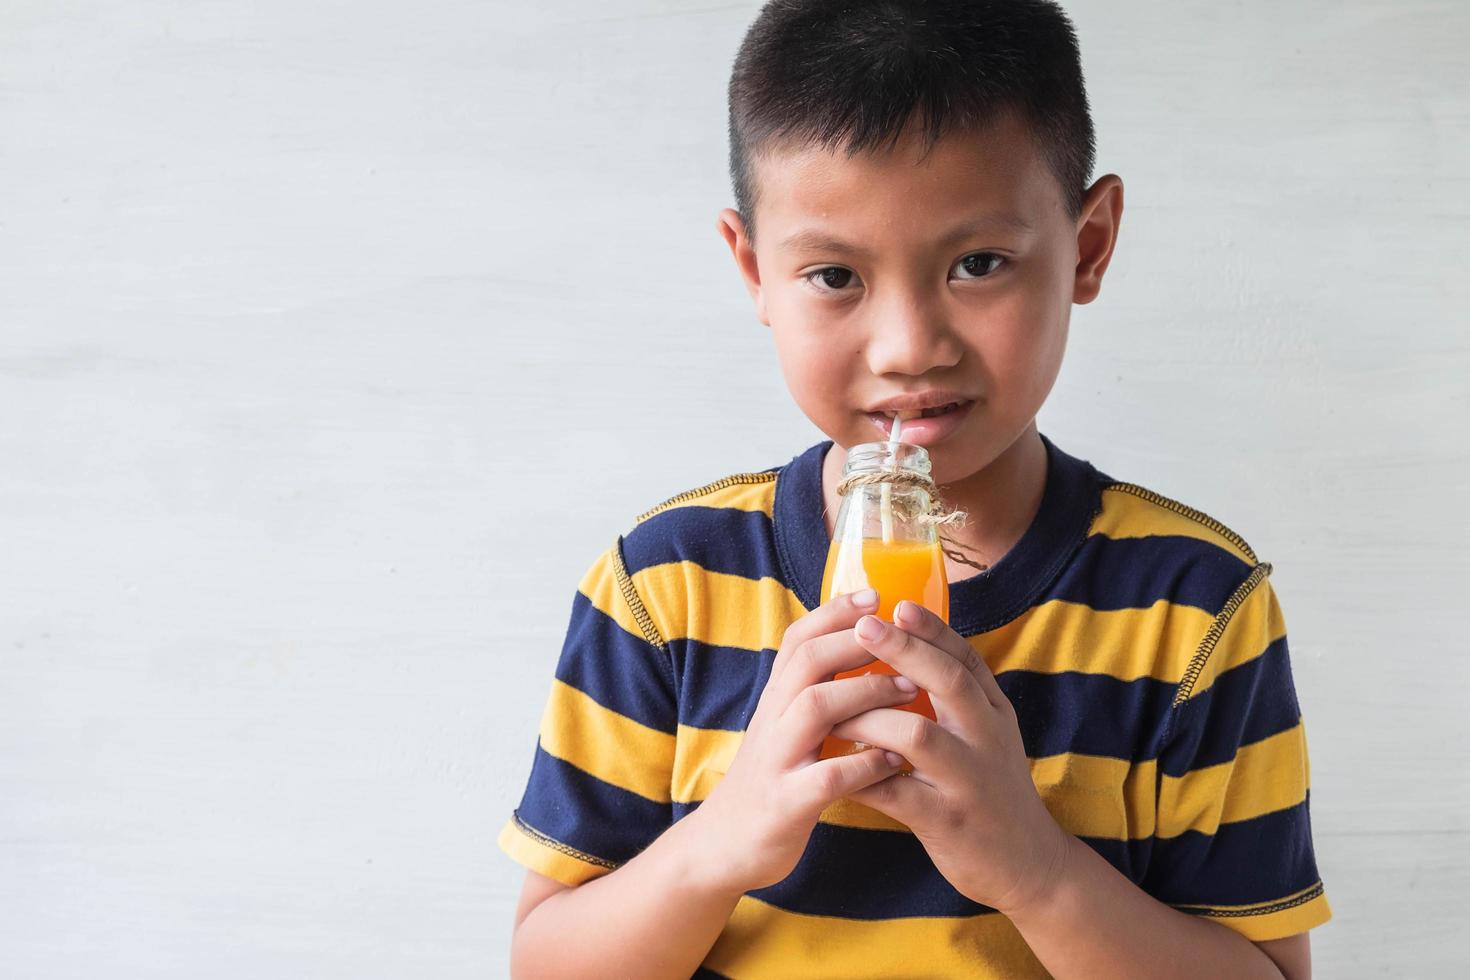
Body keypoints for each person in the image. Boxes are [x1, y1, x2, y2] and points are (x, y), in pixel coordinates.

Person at [498, 1, 1331, 976]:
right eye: (835, 275)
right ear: (753, 267)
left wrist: (1036, 871)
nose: (908, 349)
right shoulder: (664, 585)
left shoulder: (1192, 606)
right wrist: (722, 842)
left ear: (1089, 244)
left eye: (979, 263)